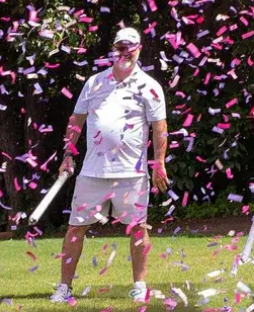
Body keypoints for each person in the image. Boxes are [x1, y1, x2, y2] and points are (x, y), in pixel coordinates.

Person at [50, 27, 168, 305]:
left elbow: (160, 128)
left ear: (139, 49)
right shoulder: (94, 83)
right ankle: (64, 287)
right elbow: (76, 120)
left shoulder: (150, 86)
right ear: (114, 49)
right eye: (120, 47)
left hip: (132, 173)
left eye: (130, 47)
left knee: (138, 227)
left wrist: (159, 162)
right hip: (93, 171)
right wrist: (68, 152)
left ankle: (139, 285)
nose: (125, 51)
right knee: (75, 228)